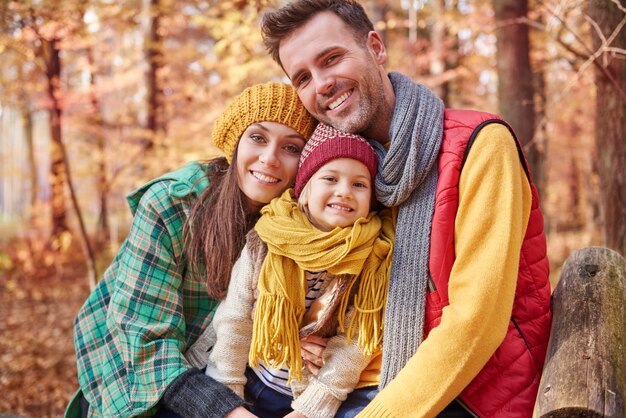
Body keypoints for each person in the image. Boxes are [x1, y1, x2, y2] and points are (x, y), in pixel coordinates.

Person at [260, 1, 552, 417]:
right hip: (334, 386)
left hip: (463, 397)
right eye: (304, 77)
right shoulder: (342, 172)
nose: (322, 83)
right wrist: (307, 330)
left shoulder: (481, 145)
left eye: (332, 58)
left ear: (376, 48)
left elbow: (476, 324)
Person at [65, 82, 317, 418]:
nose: (269, 159)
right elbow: (144, 340)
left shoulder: (298, 223)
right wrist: (226, 411)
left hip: (226, 375)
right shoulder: (173, 205)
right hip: (140, 377)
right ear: (236, 141)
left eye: (291, 147)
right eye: (258, 138)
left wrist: (289, 338)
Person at [203, 123, 394, 418]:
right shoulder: (267, 240)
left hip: (306, 394)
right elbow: (235, 322)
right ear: (303, 190)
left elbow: (354, 346)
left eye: (359, 184)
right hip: (247, 380)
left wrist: (309, 411)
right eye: (330, 178)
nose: (344, 192)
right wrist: (229, 400)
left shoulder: (371, 258)